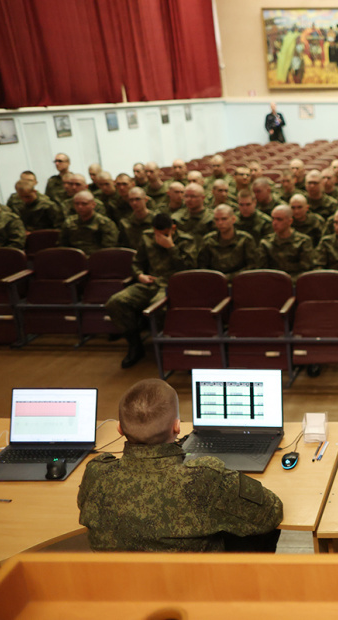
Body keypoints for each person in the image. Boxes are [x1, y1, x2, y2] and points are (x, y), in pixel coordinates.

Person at [77, 378, 283, 552]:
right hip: (196, 591)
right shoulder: (203, 478)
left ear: (119, 429)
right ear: (177, 426)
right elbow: (271, 512)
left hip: (124, 592)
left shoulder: (97, 473)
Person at [106, 212, 197, 368]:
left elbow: (189, 270)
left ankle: (168, 349)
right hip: (150, 283)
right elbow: (137, 262)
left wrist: (171, 248)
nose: (159, 237)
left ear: (173, 228)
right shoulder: (147, 237)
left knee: (157, 307)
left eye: (164, 233)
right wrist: (139, 275)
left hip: (173, 286)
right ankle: (135, 345)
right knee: (115, 302)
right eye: (157, 233)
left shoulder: (186, 240)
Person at [255, 205, 315, 278]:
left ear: (290, 221)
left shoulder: (303, 241)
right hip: (272, 283)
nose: (274, 223)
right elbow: (262, 270)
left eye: (279, 219)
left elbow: (306, 269)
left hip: (296, 284)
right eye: (273, 219)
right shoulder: (265, 243)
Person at [58, 191, 119, 255]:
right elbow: (63, 245)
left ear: (93, 205)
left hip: (97, 258)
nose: (80, 207)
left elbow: (108, 248)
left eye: (84, 204)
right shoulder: (69, 222)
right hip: (73, 257)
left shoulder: (105, 223)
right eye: (77, 204)